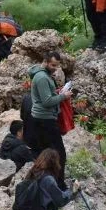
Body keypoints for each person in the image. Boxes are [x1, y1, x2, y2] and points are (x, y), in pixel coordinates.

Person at [28, 52, 73, 190]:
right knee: (59, 153)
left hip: (41, 119)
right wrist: (63, 96)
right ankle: (59, 185)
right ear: (46, 61)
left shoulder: (43, 75)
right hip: (45, 120)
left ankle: (46, 182)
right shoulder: (42, 77)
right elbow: (47, 101)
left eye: (57, 66)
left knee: (46, 153)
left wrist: (58, 93)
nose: (55, 68)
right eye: (53, 65)